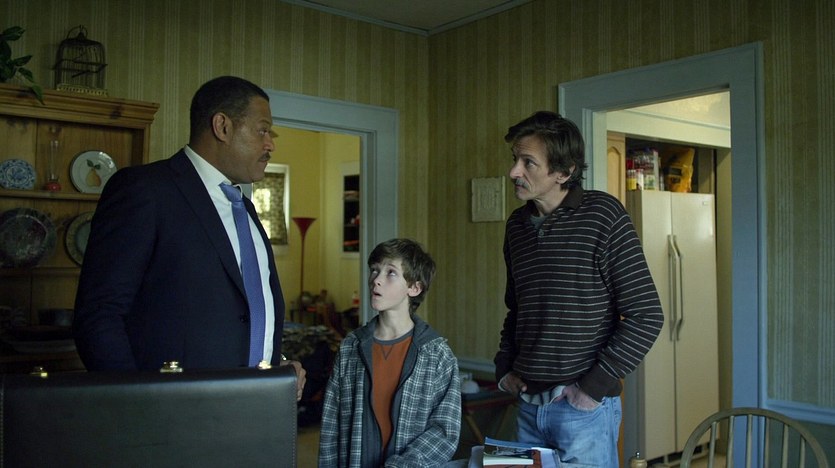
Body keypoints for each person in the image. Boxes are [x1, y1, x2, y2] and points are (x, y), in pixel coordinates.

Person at [73, 76, 305, 399]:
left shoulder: (246, 208)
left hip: (256, 409)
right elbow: (100, 315)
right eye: (262, 131)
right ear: (222, 127)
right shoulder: (145, 191)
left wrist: (275, 362)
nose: (270, 145)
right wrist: (134, 403)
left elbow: (241, 313)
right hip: (172, 413)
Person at [494, 111, 664, 466]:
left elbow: (647, 315)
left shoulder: (603, 215)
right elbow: (518, 308)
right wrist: (504, 367)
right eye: (515, 159)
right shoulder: (516, 226)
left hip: (582, 411)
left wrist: (591, 388)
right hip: (527, 405)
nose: (514, 171)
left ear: (564, 172)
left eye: (528, 162)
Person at [318, 239, 461, 467]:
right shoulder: (350, 347)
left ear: (414, 288)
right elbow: (331, 425)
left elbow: (444, 431)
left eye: (390, 273)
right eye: (375, 270)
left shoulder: (437, 354)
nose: (376, 279)